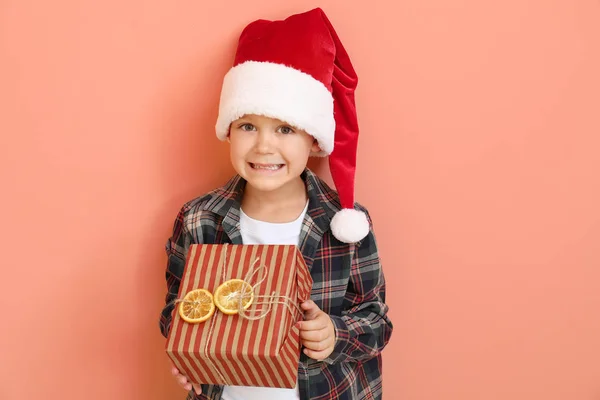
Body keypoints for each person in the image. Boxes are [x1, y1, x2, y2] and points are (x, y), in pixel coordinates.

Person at [159, 7, 393, 400]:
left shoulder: (345, 223)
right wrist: (187, 351)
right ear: (228, 131)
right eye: (247, 126)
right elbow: (177, 309)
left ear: (315, 140)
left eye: (285, 129)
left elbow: (376, 320)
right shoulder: (199, 219)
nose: (264, 146)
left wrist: (335, 333)